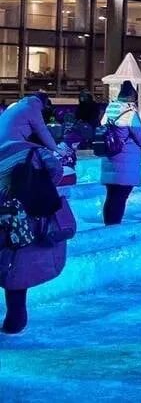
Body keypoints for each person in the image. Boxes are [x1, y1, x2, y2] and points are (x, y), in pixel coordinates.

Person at [0, 132, 67, 335]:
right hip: (24, 215)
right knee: (17, 274)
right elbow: (57, 173)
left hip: (4, 211)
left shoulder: (4, 150)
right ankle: (15, 323)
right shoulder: (38, 151)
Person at [99, 81, 141, 226]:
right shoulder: (130, 114)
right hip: (125, 161)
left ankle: (108, 225)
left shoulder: (109, 111)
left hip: (110, 158)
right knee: (121, 197)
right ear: (132, 98)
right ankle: (114, 227)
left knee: (111, 196)